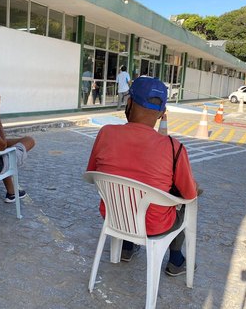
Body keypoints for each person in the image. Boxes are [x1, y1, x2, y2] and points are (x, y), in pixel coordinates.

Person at [86, 76, 201, 275]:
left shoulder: (105, 133)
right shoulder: (174, 149)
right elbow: (189, 194)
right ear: (161, 114)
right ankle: (176, 260)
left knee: (129, 191)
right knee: (185, 204)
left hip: (113, 215)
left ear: (129, 103)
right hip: (155, 225)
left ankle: (128, 247)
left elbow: (92, 172)